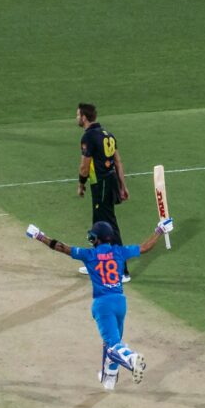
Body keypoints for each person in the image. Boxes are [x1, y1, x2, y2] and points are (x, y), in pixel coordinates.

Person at [25, 217, 174, 389]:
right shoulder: (119, 252)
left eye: (92, 237)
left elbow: (61, 247)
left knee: (113, 347)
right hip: (120, 303)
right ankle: (108, 378)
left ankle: (131, 358)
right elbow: (145, 247)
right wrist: (160, 231)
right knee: (111, 341)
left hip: (103, 305)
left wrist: (39, 236)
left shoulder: (89, 255)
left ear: (97, 239)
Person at [76, 103, 131, 281]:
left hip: (101, 185)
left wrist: (81, 183)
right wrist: (123, 185)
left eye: (77, 115)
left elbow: (84, 166)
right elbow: (118, 162)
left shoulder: (89, 137)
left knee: (109, 225)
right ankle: (95, 262)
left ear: (84, 117)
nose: (76, 118)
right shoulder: (108, 134)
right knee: (98, 223)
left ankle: (122, 270)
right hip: (109, 182)